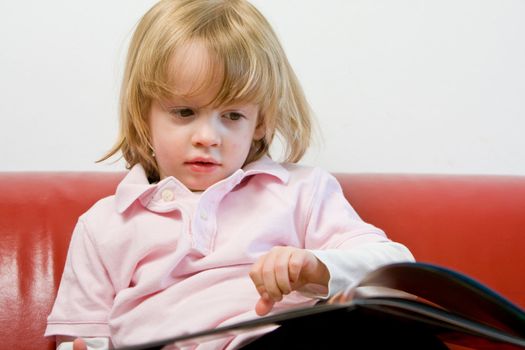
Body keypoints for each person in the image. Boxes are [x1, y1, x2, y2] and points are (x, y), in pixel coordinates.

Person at [45, 1, 415, 349]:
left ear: (260, 122)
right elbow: (82, 336)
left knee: (382, 329)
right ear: (145, 115)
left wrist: (316, 266)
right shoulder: (105, 224)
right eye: (184, 112)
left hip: (280, 338)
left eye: (233, 116)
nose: (208, 138)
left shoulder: (302, 191)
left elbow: (395, 267)